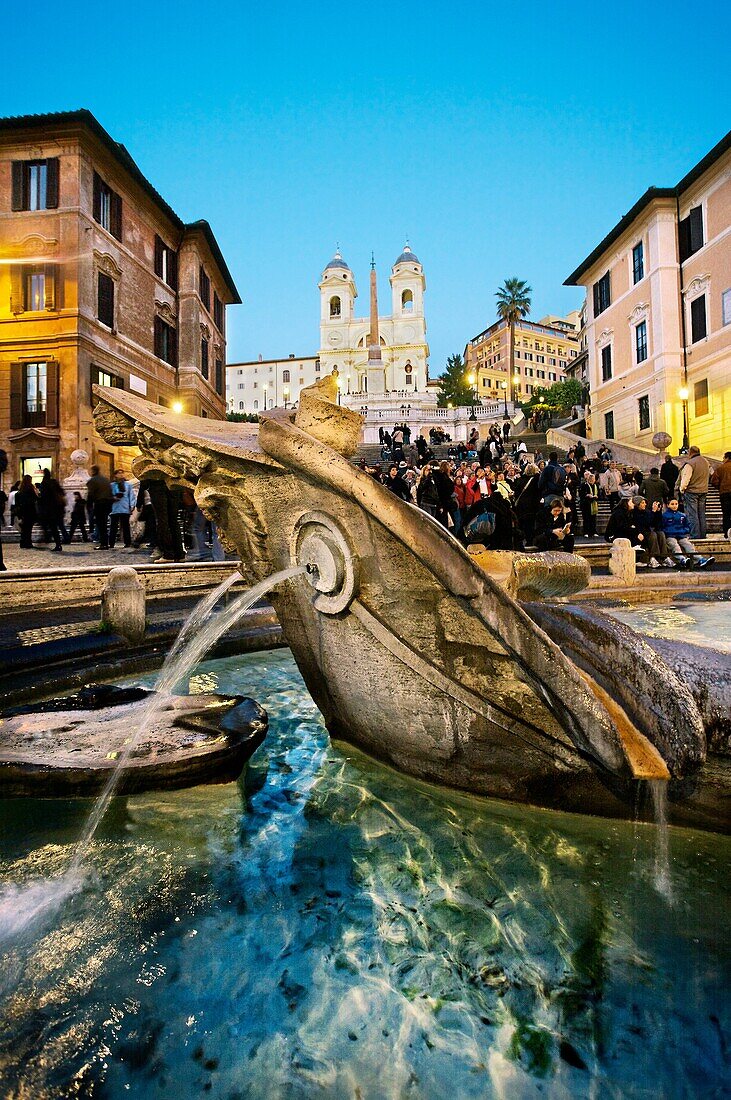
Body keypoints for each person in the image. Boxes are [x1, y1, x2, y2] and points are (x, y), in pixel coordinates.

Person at [661, 499, 714, 569]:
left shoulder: (682, 515)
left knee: (688, 545)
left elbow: (687, 525)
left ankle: (700, 560)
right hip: (670, 536)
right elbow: (662, 526)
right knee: (674, 546)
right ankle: (682, 559)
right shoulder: (664, 516)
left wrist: (684, 531)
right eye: (672, 504)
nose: (674, 506)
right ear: (668, 505)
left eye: (676, 504)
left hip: (681, 535)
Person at [604, 498, 649, 566]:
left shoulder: (628, 513)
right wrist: (635, 531)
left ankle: (637, 557)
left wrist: (637, 531)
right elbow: (622, 527)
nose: (633, 504)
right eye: (631, 502)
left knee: (641, 534)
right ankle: (635, 550)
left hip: (622, 532)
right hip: (613, 535)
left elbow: (632, 526)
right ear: (626, 503)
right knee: (632, 534)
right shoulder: (619, 513)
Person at [632, 497, 674, 567]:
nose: (645, 504)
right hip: (640, 533)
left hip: (648, 532)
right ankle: (654, 557)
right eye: (642, 503)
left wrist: (658, 512)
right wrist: (653, 512)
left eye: (645, 502)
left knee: (661, 533)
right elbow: (646, 523)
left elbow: (655, 523)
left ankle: (664, 557)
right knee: (653, 534)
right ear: (637, 504)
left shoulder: (647, 512)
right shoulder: (634, 513)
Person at [678, 446, 710, 538]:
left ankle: (695, 535)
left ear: (690, 453)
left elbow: (685, 479)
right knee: (701, 514)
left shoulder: (690, 463)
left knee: (692, 514)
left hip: (692, 491)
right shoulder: (706, 462)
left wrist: (682, 489)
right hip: (703, 490)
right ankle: (703, 535)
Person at [86, 465, 114, 549]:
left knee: (100, 524)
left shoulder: (93, 480)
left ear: (93, 471)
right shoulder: (106, 480)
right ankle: (105, 543)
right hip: (107, 504)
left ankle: (103, 544)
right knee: (104, 524)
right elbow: (110, 492)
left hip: (99, 504)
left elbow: (91, 494)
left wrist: (89, 506)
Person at [37, 468, 65, 551]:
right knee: (55, 527)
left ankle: (48, 538)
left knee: (50, 526)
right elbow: (62, 492)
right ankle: (57, 543)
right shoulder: (54, 482)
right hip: (57, 508)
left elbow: (43, 496)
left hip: (49, 509)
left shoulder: (45, 483)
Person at [109, 470, 136, 548]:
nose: (121, 475)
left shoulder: (128, 485)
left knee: (125, 527)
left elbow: (131, 495)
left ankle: (127, 542)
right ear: (115, 475)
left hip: (125, 507)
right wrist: (113, 498)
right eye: (119, 473)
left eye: (122, 473)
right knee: (113, 527)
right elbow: (109, 495)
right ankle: (111, 543)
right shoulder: (112, 485)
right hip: (115, 508)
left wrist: (132, 505)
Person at [15, 475, 39, 550]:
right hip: (30, 511)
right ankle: (28, 542)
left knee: (24, 527)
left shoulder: (19, 491)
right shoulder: (30, 489)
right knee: (28, 528)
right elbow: (35, 498)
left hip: (22, 511)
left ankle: (23, 542)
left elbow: (17, 503)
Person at [711, 451, 731, 539]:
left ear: (727, 458)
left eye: (723, 458)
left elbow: (713, 481)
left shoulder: (720, 468)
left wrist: (720, 487)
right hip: (725, 492)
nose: (723, 460)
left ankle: (727, 533)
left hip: (725, 494)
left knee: (726, 514)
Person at [579, 471, 599, 537]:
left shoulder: (596, 486)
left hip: (593, 503)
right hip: (586, 504)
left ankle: (593, 531)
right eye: (590, 479)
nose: (592, 480)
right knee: (586, 519)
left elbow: (599, 495)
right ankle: (586, 532)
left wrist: (596, 496)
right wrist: (587, 495)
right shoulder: (583, 485)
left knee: (593, 519)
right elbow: (581, 494)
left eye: (593, 479)